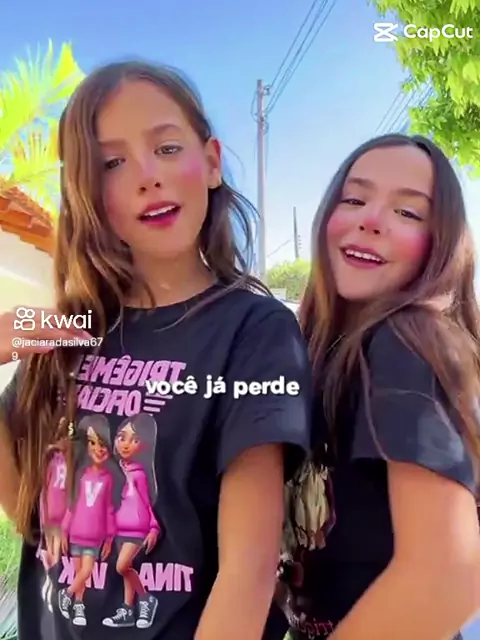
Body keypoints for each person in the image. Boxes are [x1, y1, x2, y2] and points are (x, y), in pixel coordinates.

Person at [0, 60, 311, 640]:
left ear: (212, 162)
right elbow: (31, 517)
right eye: (112, 163)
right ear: (89, 193)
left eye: (167, 148)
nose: (147, 176)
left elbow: (247, 575)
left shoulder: (255, 331)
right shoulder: (70, 331)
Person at [275, 134, 480, 640]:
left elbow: (448, 574)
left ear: (440, 243)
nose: (371, 220)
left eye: (408, 212)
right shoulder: (324, 355)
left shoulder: (405, 342)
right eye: (354, 199)